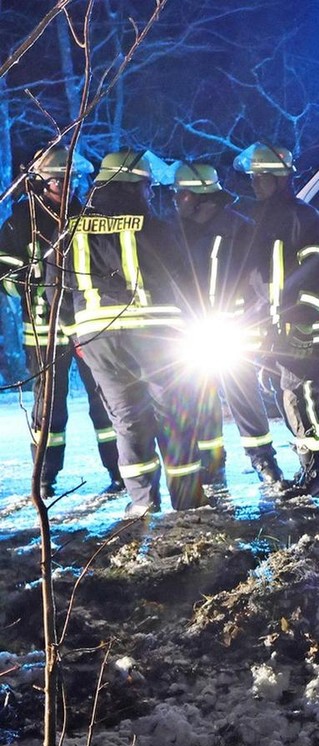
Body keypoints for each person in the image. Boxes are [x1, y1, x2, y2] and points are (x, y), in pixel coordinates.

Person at [66, 149, 205, 514]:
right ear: (131, 185)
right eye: (144, 187)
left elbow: (55, 290)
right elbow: (186, 279)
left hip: (99, 342)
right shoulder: (155, 228)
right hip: (155, 338)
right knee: (172, 415)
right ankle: (187, 500)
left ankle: (142, 501)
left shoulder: (70, 231)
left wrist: (75, 338)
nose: (148, 195)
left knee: (127, 422)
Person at [0, 146, 124, 497]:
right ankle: (44, 477)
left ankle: (119, 470)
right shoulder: (21, 221)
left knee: (105, 398)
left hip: (88, 326)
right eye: (59, 180)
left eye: (73, 179)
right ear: (40, 182)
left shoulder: (85, 215)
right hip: (44, 331)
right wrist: (31, 281)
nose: (68, 186)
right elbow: (4, 275)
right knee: (48, 410)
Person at [171, 161, 286, 493]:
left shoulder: (243, 230)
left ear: (197, 196)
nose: (176, 199)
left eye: (181, 194)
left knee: (244, 398)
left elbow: (263, 283)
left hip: (234, 330)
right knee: (197, 400)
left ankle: (263, 460)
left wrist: (255, 318)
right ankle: (211, 463)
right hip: (189, 333)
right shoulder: (174, 232)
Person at [235, 143, 319, 498]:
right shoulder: (253, 218)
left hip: (299, 327)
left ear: (280, 179)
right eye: (253, 178)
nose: (255, 184)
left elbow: (318, 269)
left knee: (300, 396)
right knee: (285, 397)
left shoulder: (303, 217)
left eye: (261, 178)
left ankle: (318, 471)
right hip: (270, 329)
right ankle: (310, 468)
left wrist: (302, 317)